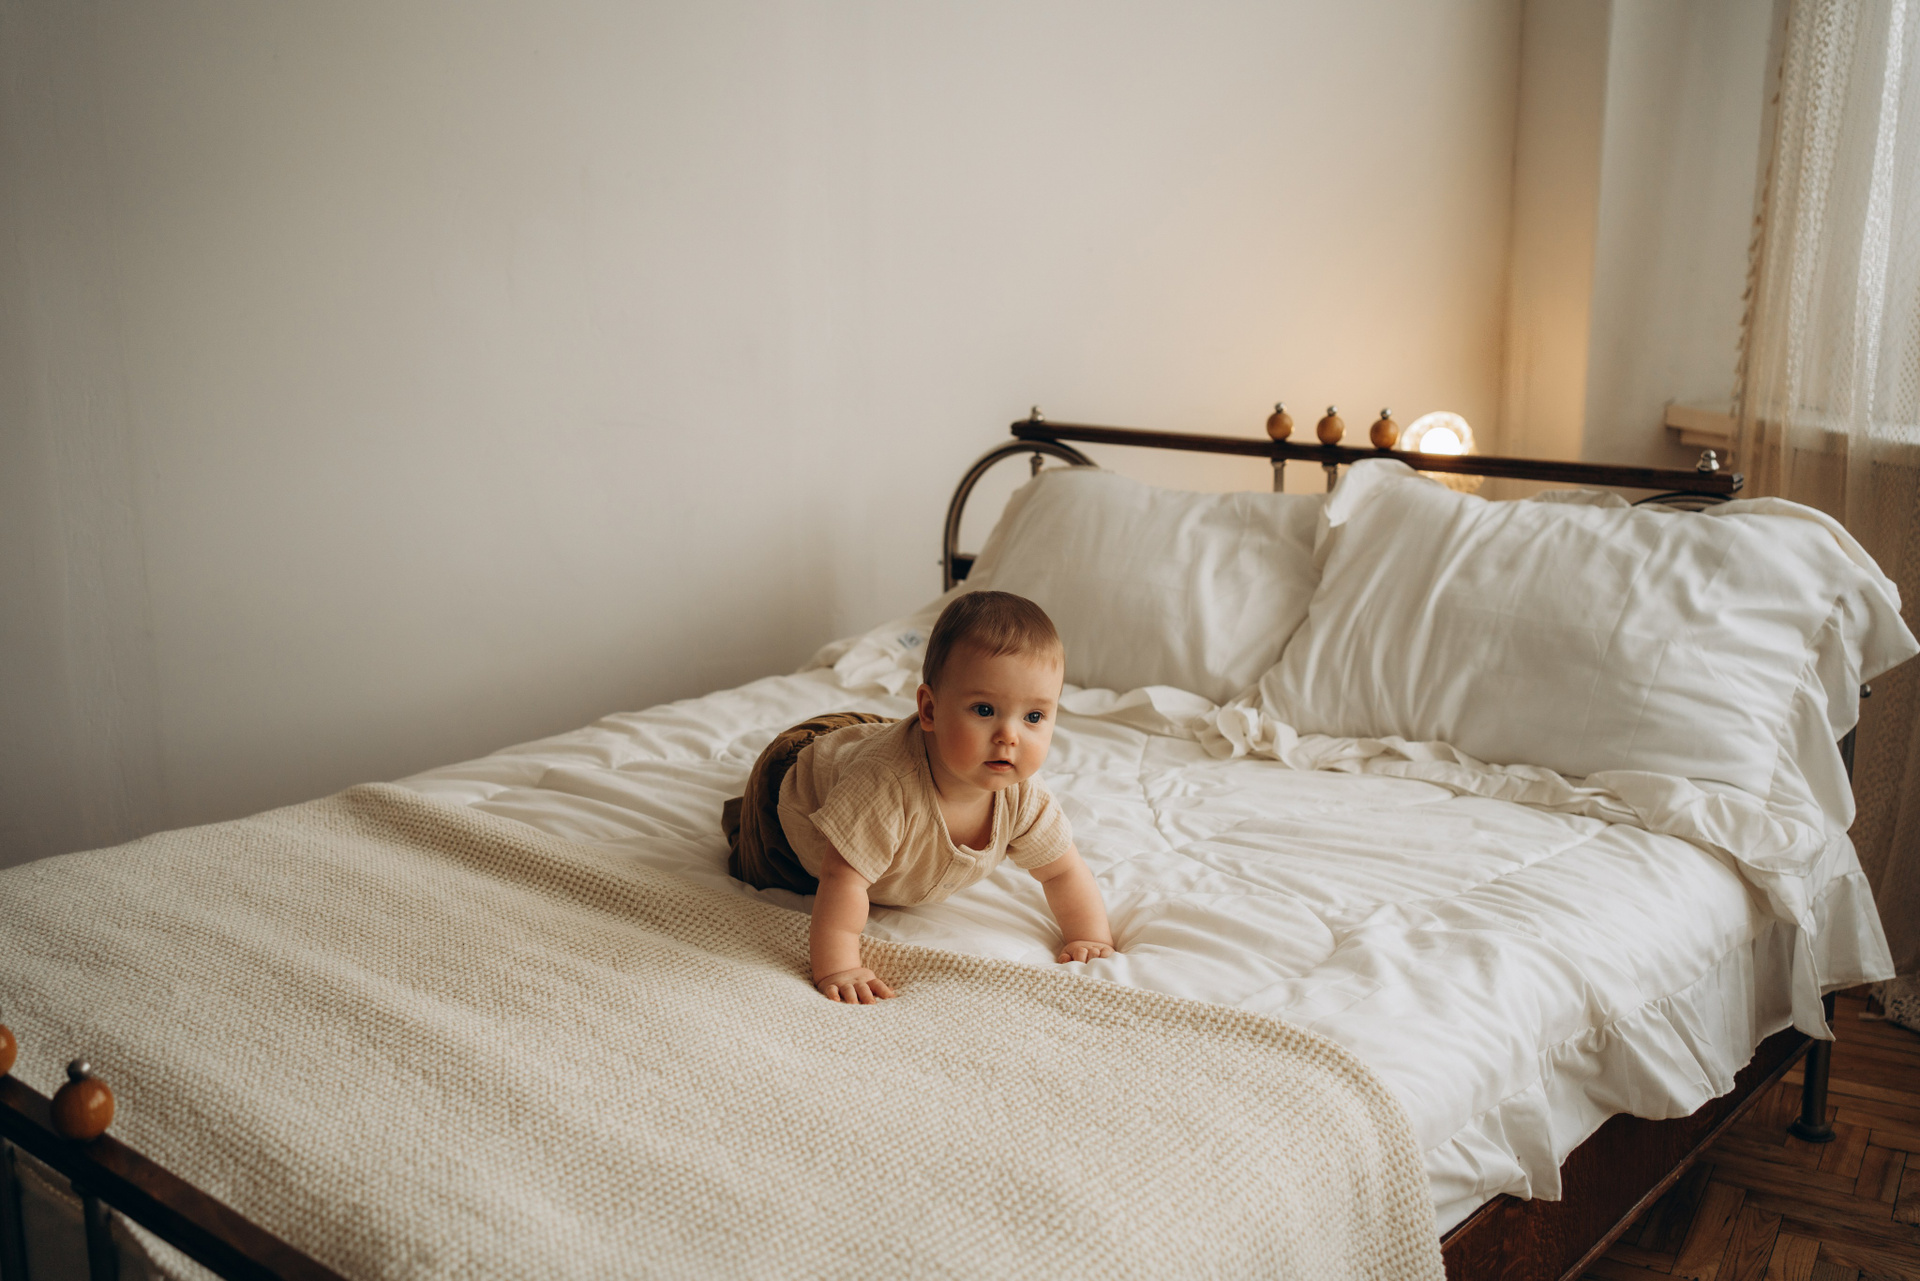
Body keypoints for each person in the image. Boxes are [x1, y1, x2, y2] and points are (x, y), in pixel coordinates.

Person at [721, 591, 1115, 1002]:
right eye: (984, 710)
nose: (1009, 736)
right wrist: (839, 967)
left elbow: (1063, 871)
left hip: (882, 740)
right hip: (793, 783)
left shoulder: (1023, 795)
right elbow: (841, 879)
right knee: (759, 859)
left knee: (883, 745)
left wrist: (1089, 937)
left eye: (1034, 716)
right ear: (929, 709)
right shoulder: (885, 788)